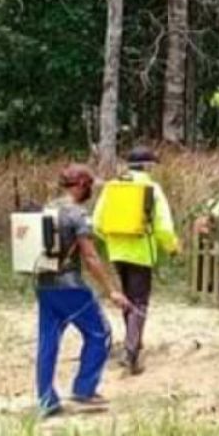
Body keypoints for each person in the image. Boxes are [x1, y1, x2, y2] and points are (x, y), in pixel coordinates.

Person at [36, 164, 129, 418]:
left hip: (44, 285)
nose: (90, 190)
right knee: (99, 333)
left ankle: (47, 400)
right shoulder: (77, 215)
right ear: (79, 185)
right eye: (88, 185)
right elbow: (90, 256)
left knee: (48, 342)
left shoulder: (47, 208)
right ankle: (84, 389)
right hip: (70, 286)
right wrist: (112, 290)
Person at [92, 146, 180, 375]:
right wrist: (171, 247)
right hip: (141, 252)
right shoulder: (151, 188)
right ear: (148, 166)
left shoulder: (112, 187)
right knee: (140, 301)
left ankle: (134, 343)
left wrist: (113, 240)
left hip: (117, 252)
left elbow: (97, 223)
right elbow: (163, 226)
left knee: (128, 298)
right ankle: (131, 352)